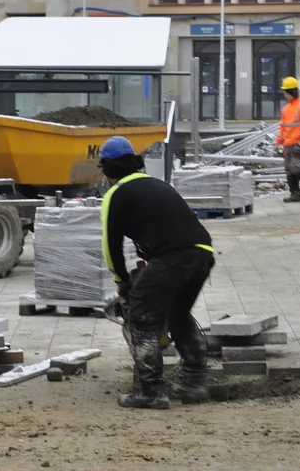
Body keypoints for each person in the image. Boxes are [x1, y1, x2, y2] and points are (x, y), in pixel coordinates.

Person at [99, 135, 216, 410]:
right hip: (202, 252)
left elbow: (110, 246)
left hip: (172, 257)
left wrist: (122, 281)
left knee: (142, 319)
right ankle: (195, 382)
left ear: (107, 170)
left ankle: (151, 391)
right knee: (177, 314)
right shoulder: (157, 185)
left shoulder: (115, 195)